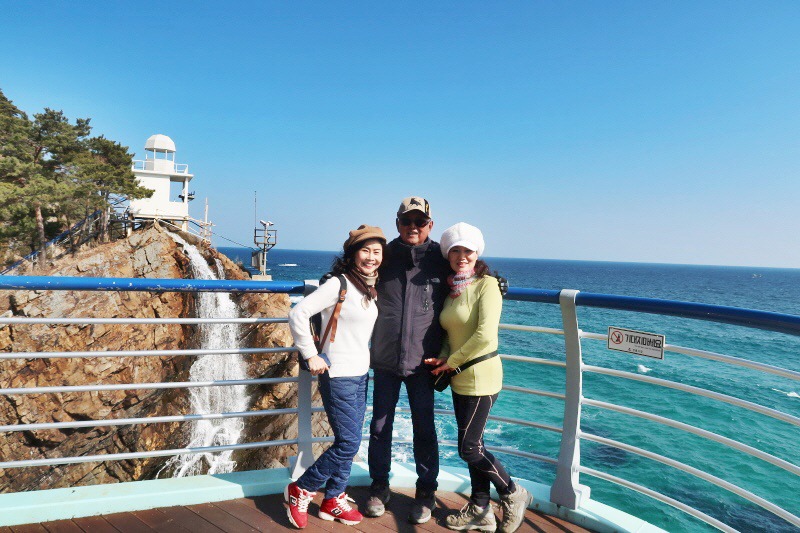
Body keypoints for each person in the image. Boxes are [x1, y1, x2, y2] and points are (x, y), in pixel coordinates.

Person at [425, 222, 532, 533]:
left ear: (477, 253)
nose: (461, 256)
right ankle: (480, 509)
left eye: (467, 250)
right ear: (447, 255)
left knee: (469, 448)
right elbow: (450, 332)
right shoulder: (453, 290)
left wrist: (452, 361)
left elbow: (485, 335)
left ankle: (513, 492)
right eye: (455, 250)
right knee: (476, 445)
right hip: (459, 376)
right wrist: (445, 356)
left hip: (481, 376)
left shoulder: (487, 285)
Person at [284, 225, 387, 529]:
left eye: (377, 251)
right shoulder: (338, 284)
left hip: (360, 373)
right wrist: (310, 354)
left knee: (349, 442)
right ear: (353, 254)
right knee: (348, 442)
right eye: (365, 250)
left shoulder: (370, 286)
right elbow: (298, 314)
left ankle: (334, 498)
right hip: (337, 373)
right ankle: (302, 488)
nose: (371, 257)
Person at [365, 196, 451, 524]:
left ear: (430, 224)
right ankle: (379, 486)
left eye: (420, 221)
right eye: (406, 221)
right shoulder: (384, 256)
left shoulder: (442, 259)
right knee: (379, 427)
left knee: (424, 429)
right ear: (397, 223)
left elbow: (468, 275)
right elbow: (353, 271)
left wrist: (494, 281)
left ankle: (426, 491)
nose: (413, 227)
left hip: (424, 363)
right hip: (385, 359)